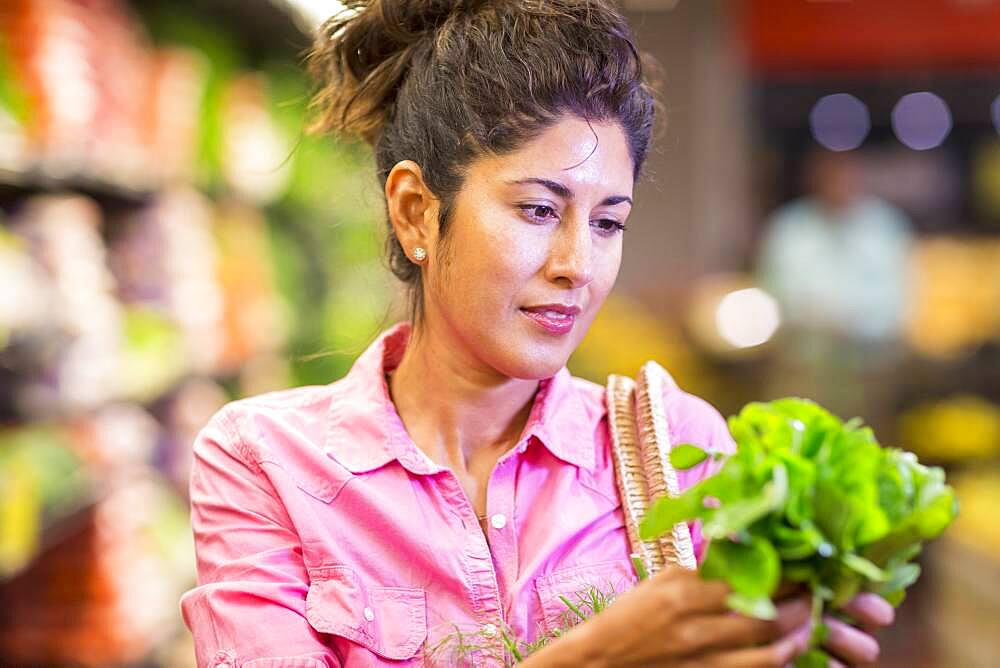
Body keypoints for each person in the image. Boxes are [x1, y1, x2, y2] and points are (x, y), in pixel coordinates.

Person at [181, 2, 894, 666]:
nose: (576, 266)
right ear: (416, 211)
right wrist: (596, 655)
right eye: (537, 210)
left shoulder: (681, 449)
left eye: (609, 222)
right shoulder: (264, 463)